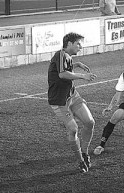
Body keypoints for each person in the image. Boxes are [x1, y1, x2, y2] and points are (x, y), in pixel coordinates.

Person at [48, 32, 97, 173]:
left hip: (72, 95)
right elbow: (62, 74)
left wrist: (76, 64)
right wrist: (83, 76)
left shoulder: (66, 56)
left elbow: (63, 67)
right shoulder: (60, 55)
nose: (81, 47)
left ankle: (85, 153)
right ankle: (80, 161)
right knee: (73, 129)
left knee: (89, 122)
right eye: (78, 44)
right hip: (59, 101)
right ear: (69, 43)